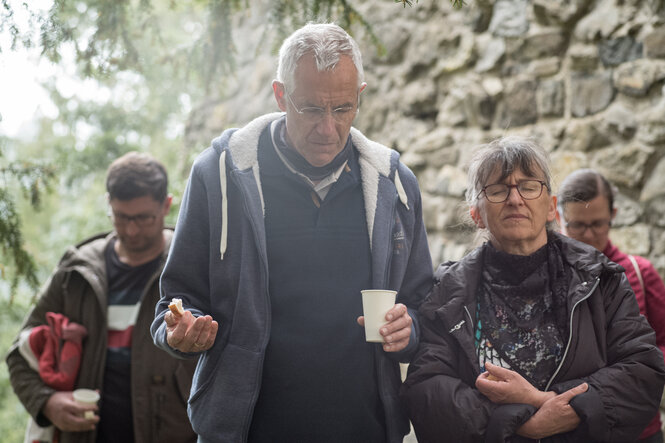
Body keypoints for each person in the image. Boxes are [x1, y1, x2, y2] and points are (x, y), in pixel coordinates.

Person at [150, 23, 433, 443]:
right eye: (312, 109)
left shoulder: (394, 183)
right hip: (248, 430)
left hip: (365, 428)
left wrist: (410, 329)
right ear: (281, 96)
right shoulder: (221, 175)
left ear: (360, 95)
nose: (328, 128)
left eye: (342, 109)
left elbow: (424, 304)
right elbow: (174, 302)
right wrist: (179, 335)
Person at [400, 136, 665, 442]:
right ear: (476, 215)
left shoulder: (599, 278)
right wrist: (518, 422)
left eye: (528, 186)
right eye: (498, 190)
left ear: (552, 208)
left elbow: (643, 372)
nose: (515, 199)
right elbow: (426, 392)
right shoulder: (449, 292)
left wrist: (549, 402)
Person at [6, 152, 198, 443]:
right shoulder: (76, 272)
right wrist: (47, 402)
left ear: (167, 206)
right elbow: (18, 354)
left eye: (144, 218)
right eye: (121, 217)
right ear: (109, 204)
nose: (131, 230)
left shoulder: (192, 267)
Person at [557, 168, 665, 443]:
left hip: (639, 430)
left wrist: (638, 371)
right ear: (558, 217)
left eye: (598, 223)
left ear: (613, 215)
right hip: (571, 427)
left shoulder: (640, 273)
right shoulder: (548, 277)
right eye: (577, 225)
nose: (589, 235)